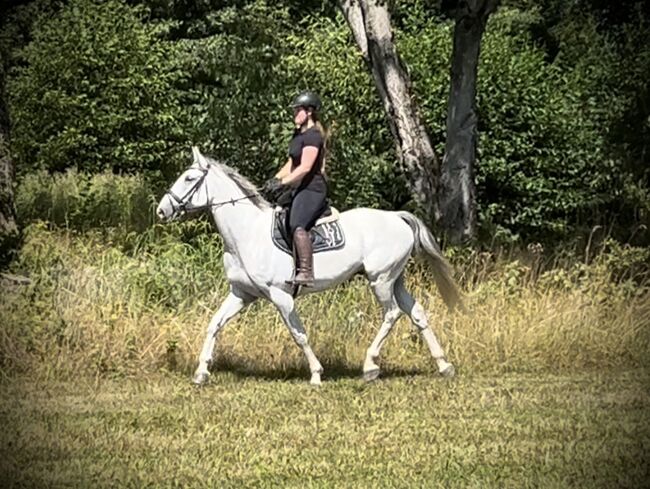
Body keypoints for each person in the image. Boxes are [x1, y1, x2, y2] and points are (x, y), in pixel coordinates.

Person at [262, 91, 328, 286]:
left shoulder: (314, 136)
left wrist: (284, 183)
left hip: (313, 188)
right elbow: (291, 164)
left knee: (297, 223)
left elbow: (305, 167)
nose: (294, 114)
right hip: (300, 187)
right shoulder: (299, 135)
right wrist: (274, 179)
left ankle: (306, 272)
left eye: (297, 110)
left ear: (308, 112)